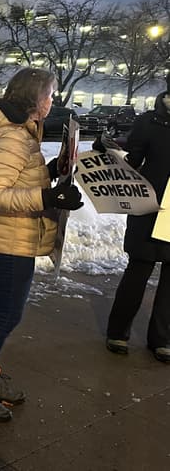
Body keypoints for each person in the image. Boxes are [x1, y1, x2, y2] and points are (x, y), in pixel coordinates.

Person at [0, 67, 83, 422]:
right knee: (4, 314)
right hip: (8, 239)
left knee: (7, 312)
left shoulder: (22, 130)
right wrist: (48, 196)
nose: (52, 100)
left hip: (13, 235)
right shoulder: (12, 136)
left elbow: (19, 176)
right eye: (50, 94)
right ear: (34, 98)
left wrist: (53, 171)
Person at [105, 73, 170, 363]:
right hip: (149, 206)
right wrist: (109, 153)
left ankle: (162, 339)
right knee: (138, 270)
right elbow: (132, 161)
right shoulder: (149, 121)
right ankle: (118, 332)